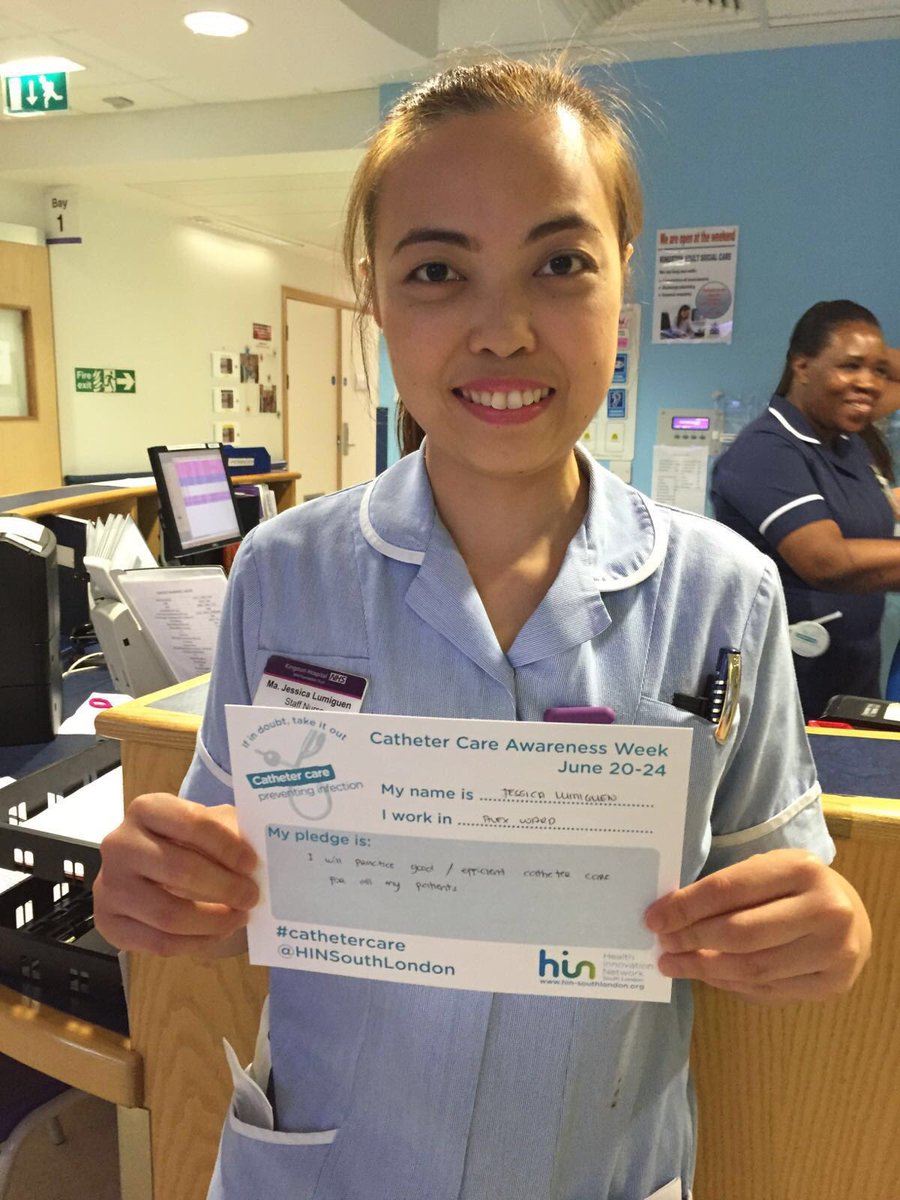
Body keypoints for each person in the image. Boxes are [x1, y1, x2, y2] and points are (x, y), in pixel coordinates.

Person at [93, 62, 871, 1200]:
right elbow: (234, 888)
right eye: (436, 271)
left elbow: (775, 880)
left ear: (624, 278)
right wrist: (165, 894)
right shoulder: (284, 573)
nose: (502, 331)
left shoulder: (725, 594)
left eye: (559, 264)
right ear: (375, 297)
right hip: (330, 1169)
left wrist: (823, 929)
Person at [711, 300, 900, 721]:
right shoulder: (767, 450)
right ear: (802, 366)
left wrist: (871, 356)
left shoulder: (846, 441)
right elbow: (826, 561)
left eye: (878, 371)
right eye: (850, 366)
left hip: (852, 686)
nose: (868, 384)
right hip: (787, 697)